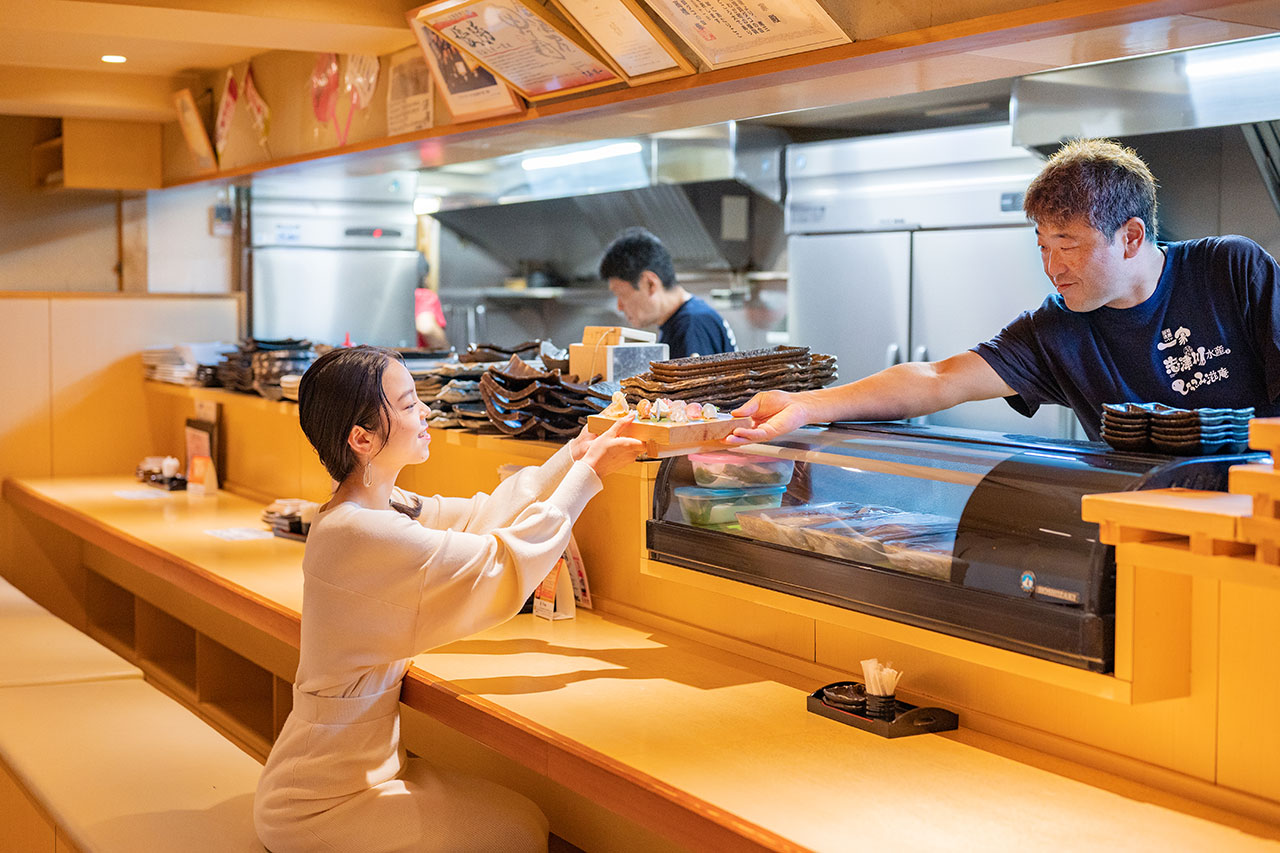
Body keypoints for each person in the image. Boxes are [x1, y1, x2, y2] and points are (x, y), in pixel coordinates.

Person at [254, 345, 641, 853]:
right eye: (411, 405)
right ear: (362, 438)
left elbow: (483, 517)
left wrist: (574, 451)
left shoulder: (376, 506)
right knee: (524, 827)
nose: (426, 414)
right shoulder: (357, 532)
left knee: (522, 817)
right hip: (320, 800)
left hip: (357, 770)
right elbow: (496, 563)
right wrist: (588, 477)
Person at [729, 138, 1280, 446]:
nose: (1052, 266)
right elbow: (938, 379)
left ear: (1131, 236)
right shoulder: (1056, 329)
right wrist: (806, 405)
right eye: (1042, 245)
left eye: (1068, 244)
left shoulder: (1230, 268)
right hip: (1133, 526)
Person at [599, 226, 737, 359]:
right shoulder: (680, 322)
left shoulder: (692, 325)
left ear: (650, 283)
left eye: (621, 295)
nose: (619, 306)